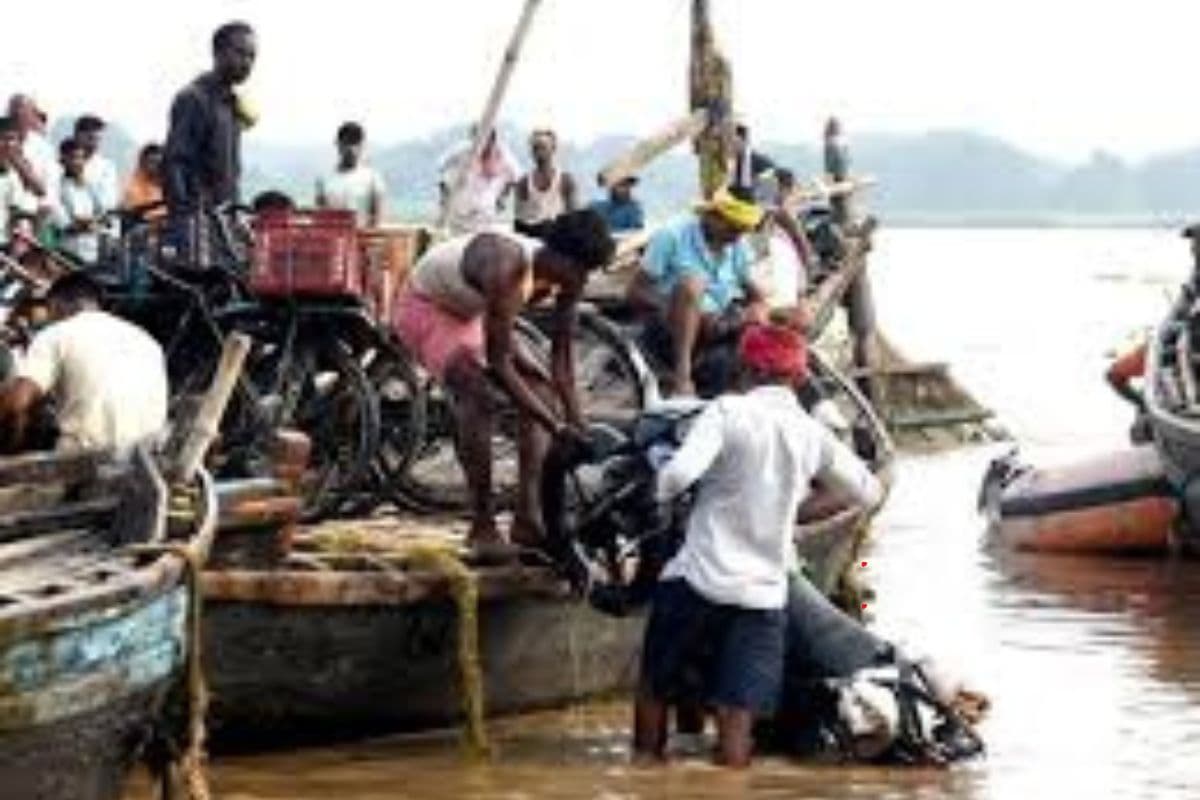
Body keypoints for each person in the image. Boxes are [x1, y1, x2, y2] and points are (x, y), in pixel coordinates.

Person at [633, 323, 883, 768]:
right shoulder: (811, 433)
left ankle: (644, 773)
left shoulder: (728, 411)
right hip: (765, 595)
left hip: (699, 578)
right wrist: (797, 511)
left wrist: (656, 490)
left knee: (656, 686)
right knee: (736, 720)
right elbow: (867, 491)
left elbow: (675, 477)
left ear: (745, 367)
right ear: (799, 378)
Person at [391, 209, 615, 552]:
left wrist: (578, 422)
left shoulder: (566, 277)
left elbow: (562, 362)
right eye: (582, 272)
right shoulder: (505, 266)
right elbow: (499, 365)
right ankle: (482, 525)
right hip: (428, 307)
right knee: (478, 394)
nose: (584, 282)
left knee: (540, 387)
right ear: (560, 258)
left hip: (476, 313)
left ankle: (528, 517)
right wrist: (555, 427)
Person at [0, 271, 167, 455]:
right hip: (146, 458)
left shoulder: (56, 334)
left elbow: (17, 404)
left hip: (85, 461)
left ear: (54, 305)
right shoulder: (146, 340)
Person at [626, 186, 769, 396]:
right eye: (732, 229)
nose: (736, 237)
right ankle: (682, 375)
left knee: (792, 318)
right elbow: (634, 293)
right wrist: (689, 313)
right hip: (670, 328)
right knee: (692, 285)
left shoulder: (735, 245)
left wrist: (756, 311)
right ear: (713, 216)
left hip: (718, 324)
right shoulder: (671, 236)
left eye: (741, 231)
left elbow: (756, 295)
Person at [162, 21, 257, 263]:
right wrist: (183, 222)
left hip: (224, 222)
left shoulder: (232, 105)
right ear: (217, 53)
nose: (247, 63)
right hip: (198, 225)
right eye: (240, 53)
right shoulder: (194, 99)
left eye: (252, 57)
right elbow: (174, 163)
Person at [437, 126, 520, 234]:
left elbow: (516, 178)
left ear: (493, 139)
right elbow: (442, 170)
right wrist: (444, 199)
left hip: (485, 213)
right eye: (477, 138)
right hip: (460, 211)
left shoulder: (502, 155)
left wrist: (502, 198)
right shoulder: (463, 152)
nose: (482, 143)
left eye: (486, 138)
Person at [316, 122, 386, 227]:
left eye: (356, 143)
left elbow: (377, 219)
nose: (351, 148)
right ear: (338, 144)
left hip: (362, 240)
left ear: (362, 146)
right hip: (334, 239)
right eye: (347, 142)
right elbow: (320, 217)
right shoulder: (324, 180)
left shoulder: (373, 179)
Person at [5, 94, 57, 220]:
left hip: (31, 215)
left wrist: (45, 207)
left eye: (23, 112)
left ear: (32, 116)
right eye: (14, 112)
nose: (18, 116)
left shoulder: (44, 148)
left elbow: (49, 185)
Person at [52, 139, 104, 264]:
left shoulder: (90, 186)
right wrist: (89, 223)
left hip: (93, 252)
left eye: (81, 158)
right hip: (68, 253)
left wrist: (89, 222)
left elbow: (103, 214)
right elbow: (65, 226)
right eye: (74, 158)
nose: (78, 162)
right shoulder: (56, 187)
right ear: (63, 160)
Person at [514, 128, 579, 228]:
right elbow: (520, 218)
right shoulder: (523, 182)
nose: (539, 152)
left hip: (559, 234)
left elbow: (574, 216)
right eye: (535, 148)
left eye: (543, 148)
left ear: (553, 149)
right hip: (532, 236)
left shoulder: (566, 180)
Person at [74, 115, 119, 214]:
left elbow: (108, 203)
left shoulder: (107, 167)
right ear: (77, 135)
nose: (94, 138)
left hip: (98, 225)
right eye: (89, 135)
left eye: (97, 136)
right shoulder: (62, 164)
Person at [0, 117, 26, 249]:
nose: (8, 144)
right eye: (4, 138)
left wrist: (15, 243)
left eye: (12, 139)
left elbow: (15, 212)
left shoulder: (13, 176)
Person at [121, 143, 166, 220]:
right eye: (152, 162)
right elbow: (133, 209)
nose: (155, 167)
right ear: (143, 162)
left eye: (159, 163)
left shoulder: (168, 185)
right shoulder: (132, 185)